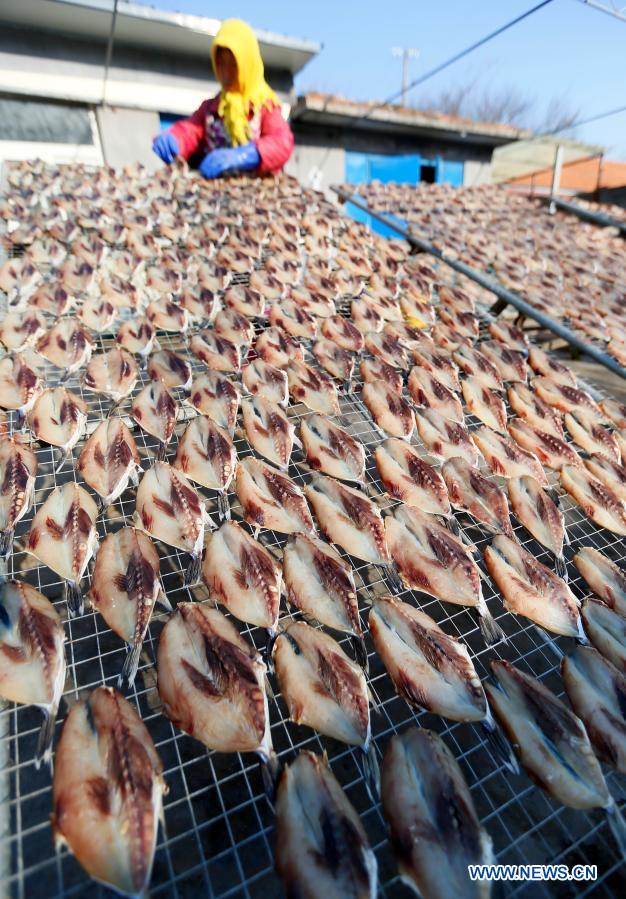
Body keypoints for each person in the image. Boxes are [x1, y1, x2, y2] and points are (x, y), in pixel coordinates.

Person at [152, 18, 294, 178]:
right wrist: (174, 138)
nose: (226, 72)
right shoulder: (211, 108)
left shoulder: (265, 106)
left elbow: (282, 142)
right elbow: (189, 131)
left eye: (233, 64)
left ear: (247, 63)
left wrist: (249, 154)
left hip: (259, 191)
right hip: (215, 190)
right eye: (221, 63)